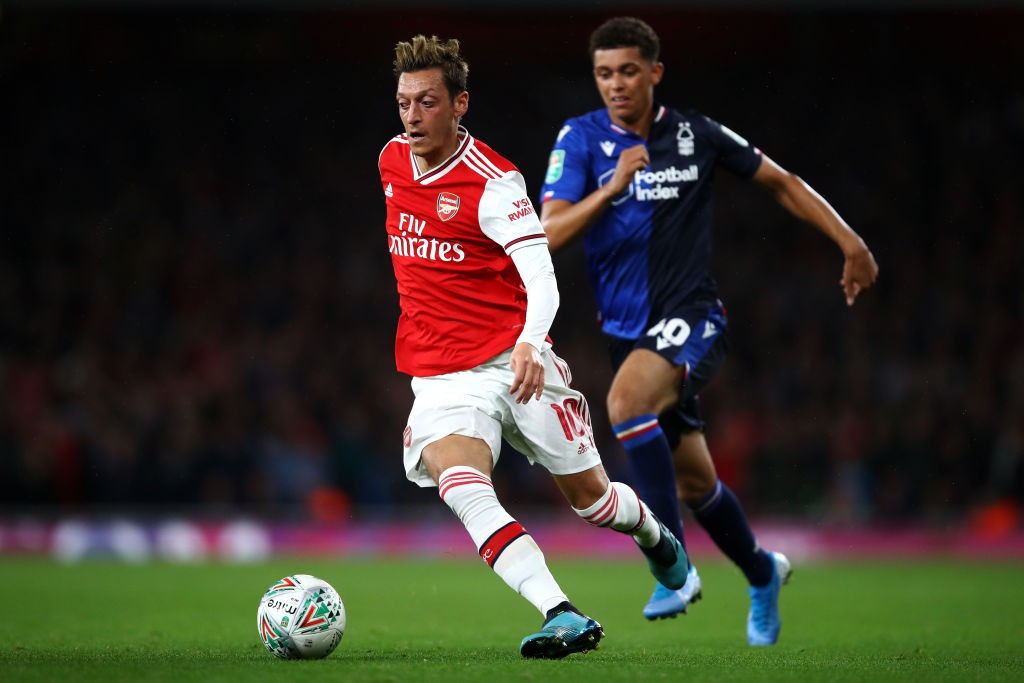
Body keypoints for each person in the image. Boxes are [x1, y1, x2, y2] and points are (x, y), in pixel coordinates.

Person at [539, 17, 879, 646]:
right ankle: (761, 571)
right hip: (630, 334)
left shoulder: (695, 134)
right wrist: (610, 189)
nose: (616, 84)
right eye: (605, 73)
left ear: (654, 73)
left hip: (695, 317)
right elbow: (549, 231)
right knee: (696, 482)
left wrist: (850, 241)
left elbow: (781, 182)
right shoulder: (581, 139)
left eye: (629, 71)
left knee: (625, 403)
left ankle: (671, 568)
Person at [378, 33, 691, 659]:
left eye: (428, 102)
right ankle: (562, 612)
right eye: (405, 102)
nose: (412, 116)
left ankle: (656, 535)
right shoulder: (389, 159)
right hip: (442, 377)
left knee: (595, 503)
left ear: (460, 104)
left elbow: (541, 275)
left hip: (515, 362)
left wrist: (528, 343)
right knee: (462, 483)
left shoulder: (494, 183)